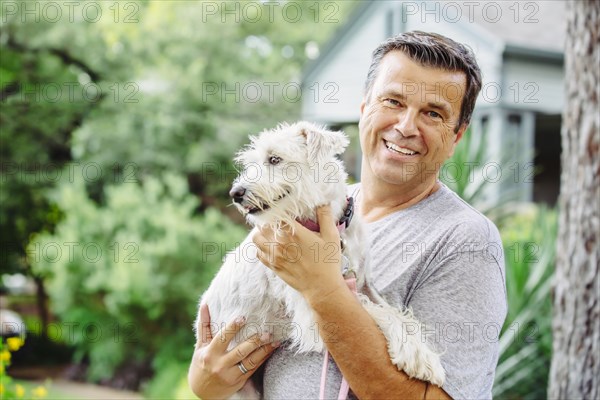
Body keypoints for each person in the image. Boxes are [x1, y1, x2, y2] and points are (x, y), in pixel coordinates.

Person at [188, 31, 507, 399]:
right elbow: (213, 356)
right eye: (393, 101)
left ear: (456, 137)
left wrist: (322, 288)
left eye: (432, 113)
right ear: (363, 109)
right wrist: (204, 381)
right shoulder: (298, 208)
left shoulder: (467, 242)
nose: (405, 127)